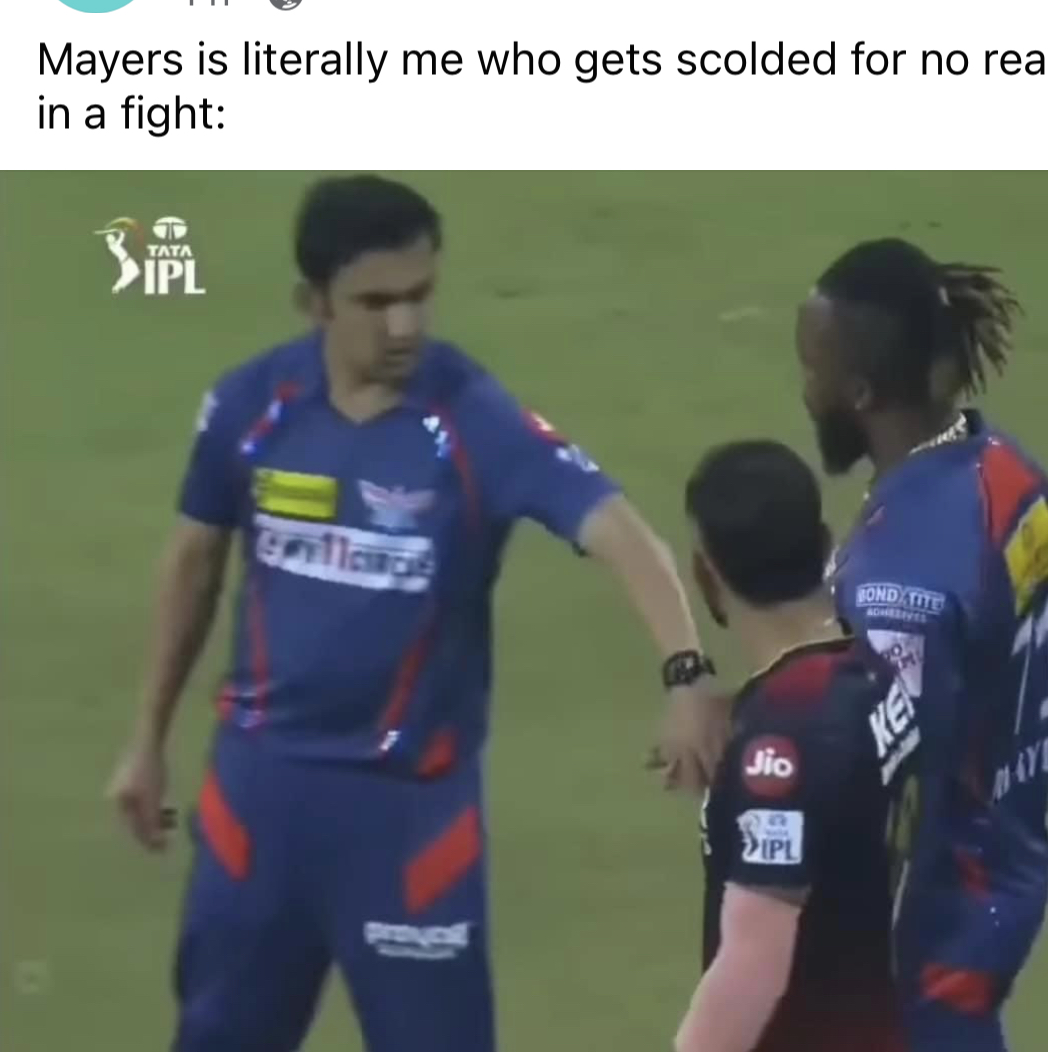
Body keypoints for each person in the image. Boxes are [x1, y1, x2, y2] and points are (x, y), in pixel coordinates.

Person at [105, 174, 727, 1052]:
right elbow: (194, 563)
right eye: (375, 303)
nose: (404, 325)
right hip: (260, 801)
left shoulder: (473, 420)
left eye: (419, 295)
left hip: (407, 818)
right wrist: (146, 740)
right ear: (314, 302)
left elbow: (624, 537)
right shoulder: (250, 408)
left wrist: (687, 674)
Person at [795, 237, 1048, 1051]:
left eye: (813, 370)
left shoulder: (900, 582)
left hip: (929, 930)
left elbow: (879, 784)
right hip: (1002, 870)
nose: (805, 390)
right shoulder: (1009, 476)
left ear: (861, 391)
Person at [673, 439, 915, 1052]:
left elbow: (753, 966)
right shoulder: (873, 671)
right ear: (824, 544)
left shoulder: (783, 743)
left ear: (706, 574)